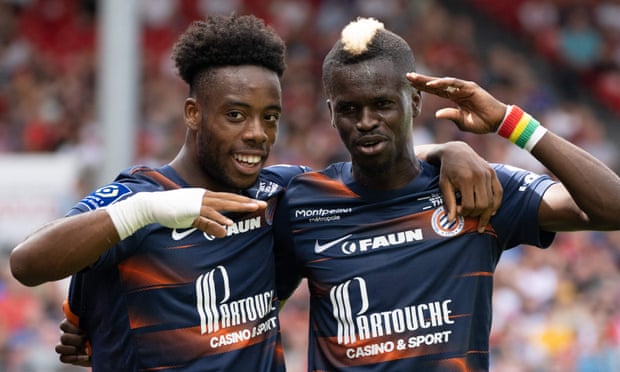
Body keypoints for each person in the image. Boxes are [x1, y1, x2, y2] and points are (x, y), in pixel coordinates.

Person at [10, 14, 501, 371]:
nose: (256, 134)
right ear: (193, 113)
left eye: (269, 117)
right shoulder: (141, 197)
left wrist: (448, 152)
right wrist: (150, 211)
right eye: (236, 115)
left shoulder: (279, 192)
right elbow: (28, 263)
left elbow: (376, 167)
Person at [272, 17, 620, 371]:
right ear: (331, 114)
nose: (365, 121)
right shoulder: (304, 202)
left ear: (415, 102)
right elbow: (255, 316)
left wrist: (508, 121)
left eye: (382, 104)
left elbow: (612, 208)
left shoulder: (475, 188)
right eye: (348, 109)